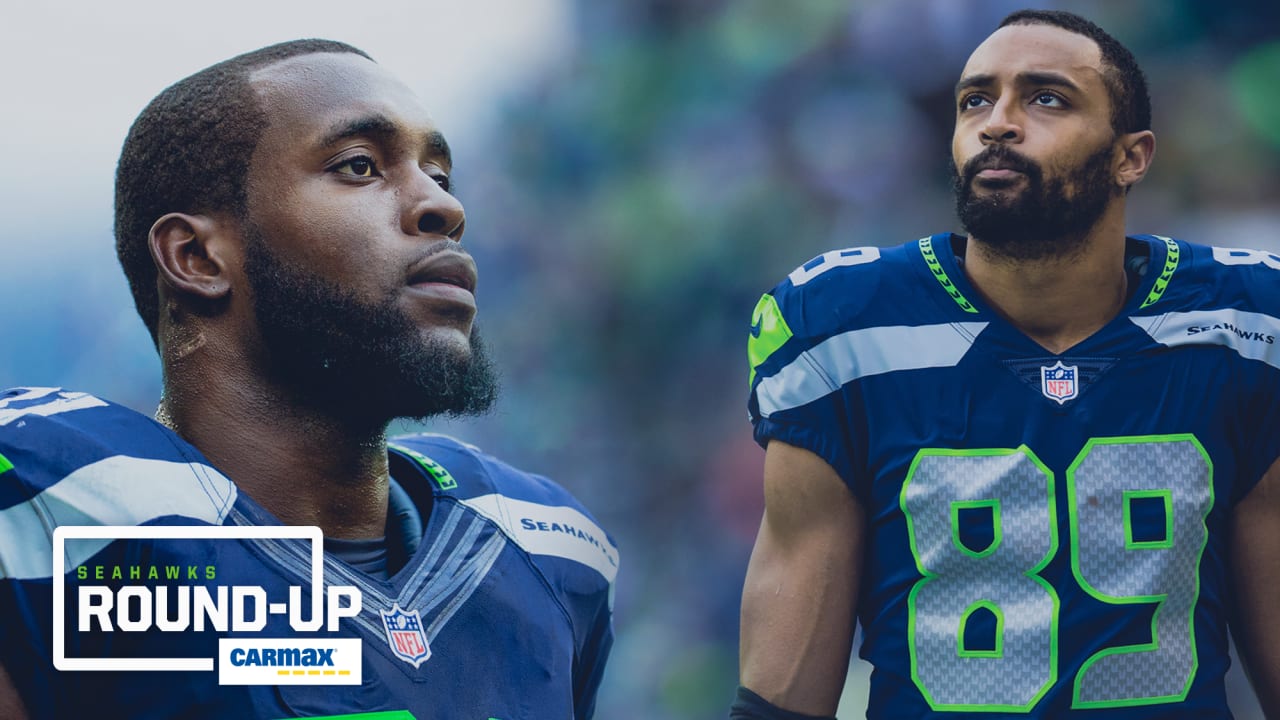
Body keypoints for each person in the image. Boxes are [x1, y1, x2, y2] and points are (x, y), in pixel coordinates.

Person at [0, 40, 617, 719]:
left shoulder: (542, 555)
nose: (442, 207)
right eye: (360, 167)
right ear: (198, 257)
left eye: (440, 175)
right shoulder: (52, 514)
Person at [736, 9, 1280, 719]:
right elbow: (783, 693)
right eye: (975, 100)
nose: (997, 122)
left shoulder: (1245, 326)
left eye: (1046, 98)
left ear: (1132, 155)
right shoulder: (844, 326)